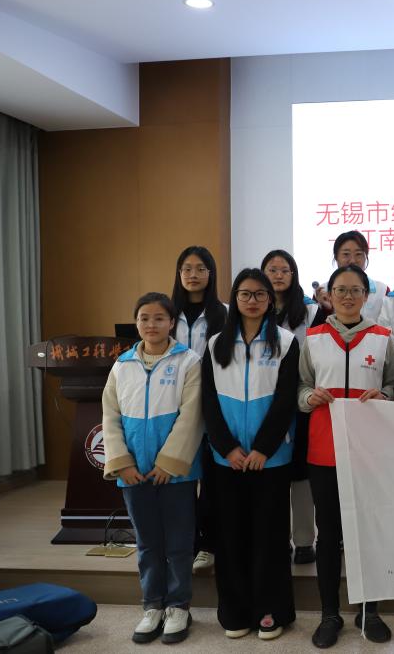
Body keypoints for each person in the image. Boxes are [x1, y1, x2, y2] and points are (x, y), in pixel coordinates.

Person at [298, 264, 394, 648]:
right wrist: (309, 397)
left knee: (367, 533)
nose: (347, 296)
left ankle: (369, 611)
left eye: (355, 290)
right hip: (324, 450)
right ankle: (330, 614)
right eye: (340, 289)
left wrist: (385, 395)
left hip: (369, 450)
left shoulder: (383, 338)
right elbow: (301, 387)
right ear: (329, 294)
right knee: (328, 535)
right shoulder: (313, 338)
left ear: (365, 295)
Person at [201, 269, 299, 640]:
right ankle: (235, 611)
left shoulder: (286, 342)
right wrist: (227, 447)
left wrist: (262, 449)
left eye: (260, 294)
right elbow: (208, 401)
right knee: (230, 535)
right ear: (235, 298)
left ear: (270, 300)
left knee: (269, 536)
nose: (252, 300)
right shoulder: (215, 345)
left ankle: (271, 610)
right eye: (245, 294)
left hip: (270, 459)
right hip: (227, 459)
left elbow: (286, 400)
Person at [102, 292, 203, 645]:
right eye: (144, 318)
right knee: (147, 543)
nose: (151, 324)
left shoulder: (188, 361)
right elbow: (110, 417)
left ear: (171, 322)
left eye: (159, 318)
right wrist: (122, 463)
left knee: (178, 543)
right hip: (133, 473)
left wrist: (168, 463)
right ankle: (153, 606)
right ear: (136, 322)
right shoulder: (122, 365)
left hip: (176, 474)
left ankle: (178, 606)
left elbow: (192, 416)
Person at [171, 246, 226, 575]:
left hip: (212, 406)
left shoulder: (224, 313)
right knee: (179, 478)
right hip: (173, 406)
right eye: (187, 269)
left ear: (211, 274)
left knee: (211, 478)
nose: (193, 275)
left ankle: (208, 545)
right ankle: (185, 543)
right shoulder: (166, 313)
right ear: (179, 274)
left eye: (200, 268)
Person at [262, 249, 319, 565]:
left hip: (300, 401)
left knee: (301, 473)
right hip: (266, 400)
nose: (278, 275)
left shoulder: (311, 312)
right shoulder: (255, 310)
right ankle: (278, 537)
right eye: (272, 270)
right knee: (273, 472)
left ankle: (305, 540)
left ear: (294, 275)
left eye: (285, 270)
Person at [315, 231, 390, 322]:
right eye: (346, 254)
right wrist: (326, 310)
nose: (352, 261)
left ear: (366, 256)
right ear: (336, 257)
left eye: (358, 254)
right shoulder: (322, 292)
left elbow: (387, 326)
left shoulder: (382, 291)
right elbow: (317, 328)